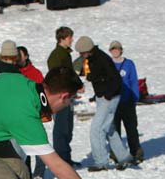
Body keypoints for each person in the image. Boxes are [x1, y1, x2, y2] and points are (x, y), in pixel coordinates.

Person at [75, 36, 134, 171]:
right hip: (103, 97)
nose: (81, 55)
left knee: (97, 129)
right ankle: (124, 157)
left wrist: (107, 95)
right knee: (109, 128)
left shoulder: (101, 58)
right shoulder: (92, 58)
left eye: (82, 53)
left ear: (88, 50)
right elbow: (99, 76)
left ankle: (101, 162)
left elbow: (115, 79)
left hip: (109, 97)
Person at [47, 26, 80, 168]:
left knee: (68, 127)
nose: (72, 40)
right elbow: (58, 77)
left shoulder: (65, 54)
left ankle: (66, 156)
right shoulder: (57, 55)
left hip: (68, 96)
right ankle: (62, 159)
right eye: (69, 37)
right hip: (60, 97)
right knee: (61, 127)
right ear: (62, 38)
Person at [109, 41, 144, 164]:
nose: (115, 51)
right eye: (113, 49)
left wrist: (135, 97)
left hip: (127, 101)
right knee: (115, 130)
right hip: (114, 102)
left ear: (121, 50)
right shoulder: (109, 64)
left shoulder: (128, 64)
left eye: (117, 49)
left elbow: (133, 81)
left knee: (131, 128)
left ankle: (136, 152)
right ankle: (116, 153)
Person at [17, 46, 48, 179]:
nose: (18, 58)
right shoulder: (14, 73)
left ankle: (39, 173)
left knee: (38, 143)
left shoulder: (35, 73)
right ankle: (26, 172)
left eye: (20, 56)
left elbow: (42, 93)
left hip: (34, 114)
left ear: (26, 56)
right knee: (21, 145)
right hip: (18, 115)